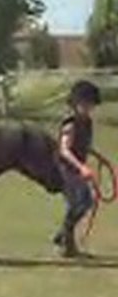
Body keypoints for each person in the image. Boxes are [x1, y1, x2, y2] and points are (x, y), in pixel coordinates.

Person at [53, 79, 102, 258]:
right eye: (84, 104)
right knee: (79, 202)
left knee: (84, 202)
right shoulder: (70, 123)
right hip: (66, 168)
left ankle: (63, 237)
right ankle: (66, 242)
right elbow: (64, 149)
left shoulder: (87, 122)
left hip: (76, 167)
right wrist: (81, 167)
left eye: (90, 105)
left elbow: (83, 145)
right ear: (75, 104)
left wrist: (94, 153)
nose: (88, 108)